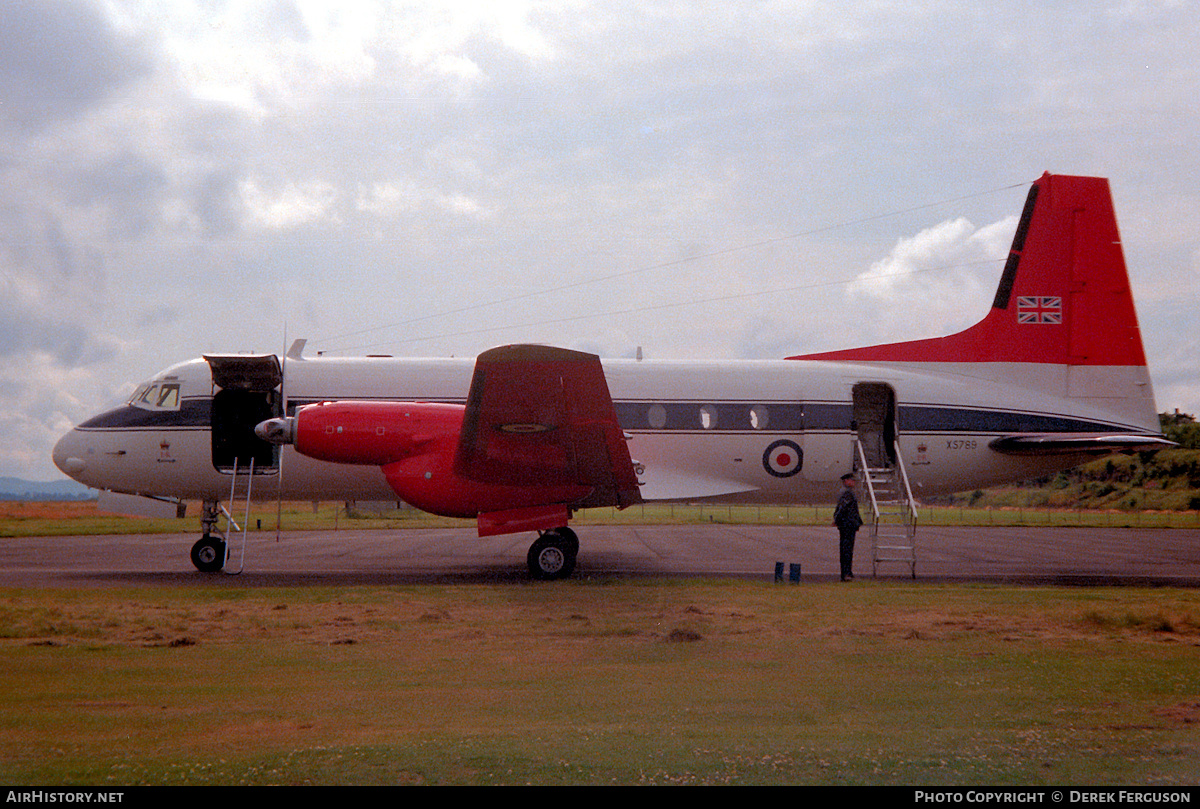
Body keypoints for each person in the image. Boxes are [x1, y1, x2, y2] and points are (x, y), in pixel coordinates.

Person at [833, 472, 863, 581]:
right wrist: (837, 519)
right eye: (852, 480)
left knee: (846, 550)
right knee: (847, 550)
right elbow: (842, 508)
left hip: (847, 524)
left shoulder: (844, 492)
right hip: (847, 524)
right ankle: (846, 574)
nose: (854, 482)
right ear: (846, 481)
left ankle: (847, 573)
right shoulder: (847, 493)